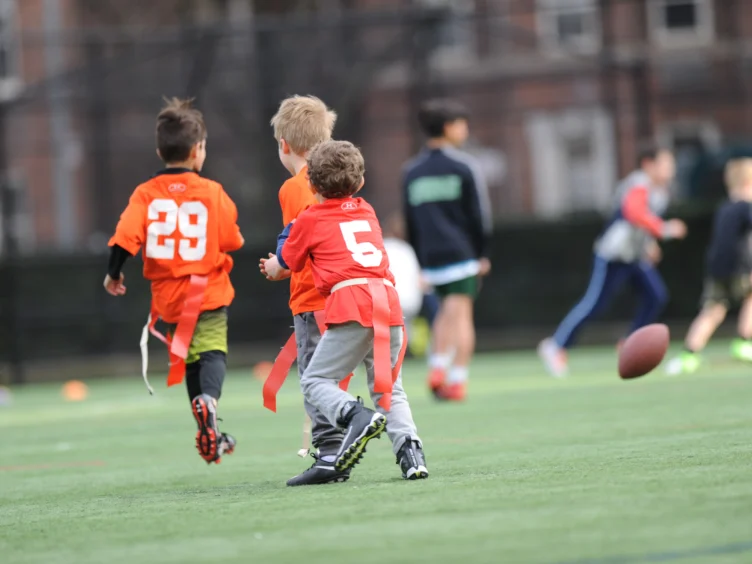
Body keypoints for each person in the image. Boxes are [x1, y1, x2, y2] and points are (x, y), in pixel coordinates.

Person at [262, 140, 428, 480]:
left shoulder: (309, 218)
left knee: (315, 380)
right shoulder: (367, 210)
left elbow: (284, 266)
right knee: (389, 386)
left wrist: (271, 264)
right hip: (388, 302)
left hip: (351, 305)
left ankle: (354, 415)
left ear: (310, 184)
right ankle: (411, 454)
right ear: (361, 183)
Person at [104, 97, 244, 464]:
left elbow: (124, 238)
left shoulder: (146, 194)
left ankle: (207, 428)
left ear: (159, 150)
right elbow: (232, 239)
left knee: (188, 357)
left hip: (170, 298)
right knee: (211, 352)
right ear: (198, 150)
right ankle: (208, 403)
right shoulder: (213, 192)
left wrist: (113, 273)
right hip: (208, 291)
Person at [260, 95, 350, 487]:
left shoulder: (294, 187)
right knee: (334, 376)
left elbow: (297, 241)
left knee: (314, 378)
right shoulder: (339, 180)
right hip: (347, 293)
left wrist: (278, 265)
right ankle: (343, 444)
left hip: (313, 298)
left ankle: (330, 453)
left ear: (284, 144)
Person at [538, 145, 687, 377]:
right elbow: (633, 213)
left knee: (655, 296)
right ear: (648, 164)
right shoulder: (638, 183)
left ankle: (630, 344)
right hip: (613, 255)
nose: (671, 169)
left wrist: (648, 245)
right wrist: (664, 229)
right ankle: (555, 346)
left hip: (634, 256)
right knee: (594, 304)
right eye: (666, 164)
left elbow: (639, 226)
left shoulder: (660, 192)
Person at [403, 98, 492, 402]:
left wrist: (420, 260)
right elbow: (479, 215)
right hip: (462, 254)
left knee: (444, 313)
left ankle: (437, 366)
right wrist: (482, 253)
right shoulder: (463, 166)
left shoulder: (411, 172)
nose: (464, 129)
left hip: (430, 256)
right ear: (449, 127)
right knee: (462, 315)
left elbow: (410, 222)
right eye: (461, 124)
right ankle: (457, 380)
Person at [666, 158, 752, 375]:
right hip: (740, 267)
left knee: (712, 311)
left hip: (716, 269)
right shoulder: (745, 207)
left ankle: (689, 355)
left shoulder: (724, 208)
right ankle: (744, 342)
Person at [382, 213, 426, 350]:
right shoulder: (408, 249)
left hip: (388, 302)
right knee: (403, 329)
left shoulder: (382, 247)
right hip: (412, 302)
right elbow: (421, 280)